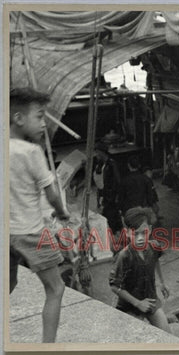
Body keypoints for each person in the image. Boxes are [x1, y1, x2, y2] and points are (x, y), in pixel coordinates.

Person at [9, 87, 70, 342]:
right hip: (30, 232)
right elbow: (52, 194)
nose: (43, 124)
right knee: (56, 288)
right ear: (19, 118)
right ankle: (47, 346)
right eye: (40, 116)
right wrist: (62, 213)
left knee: (8, 286)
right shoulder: (31, 151)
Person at [108, 207, 171, 332]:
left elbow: (156, 260)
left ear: (150, 230)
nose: (140, 238)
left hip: (150, 300)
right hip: (129, 306)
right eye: (135, 234)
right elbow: (114, 286)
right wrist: (138, 303)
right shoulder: (124, 256)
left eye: (144, 232)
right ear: (127, 233)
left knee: (168, 336)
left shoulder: (154, 247)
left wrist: (162, 282)